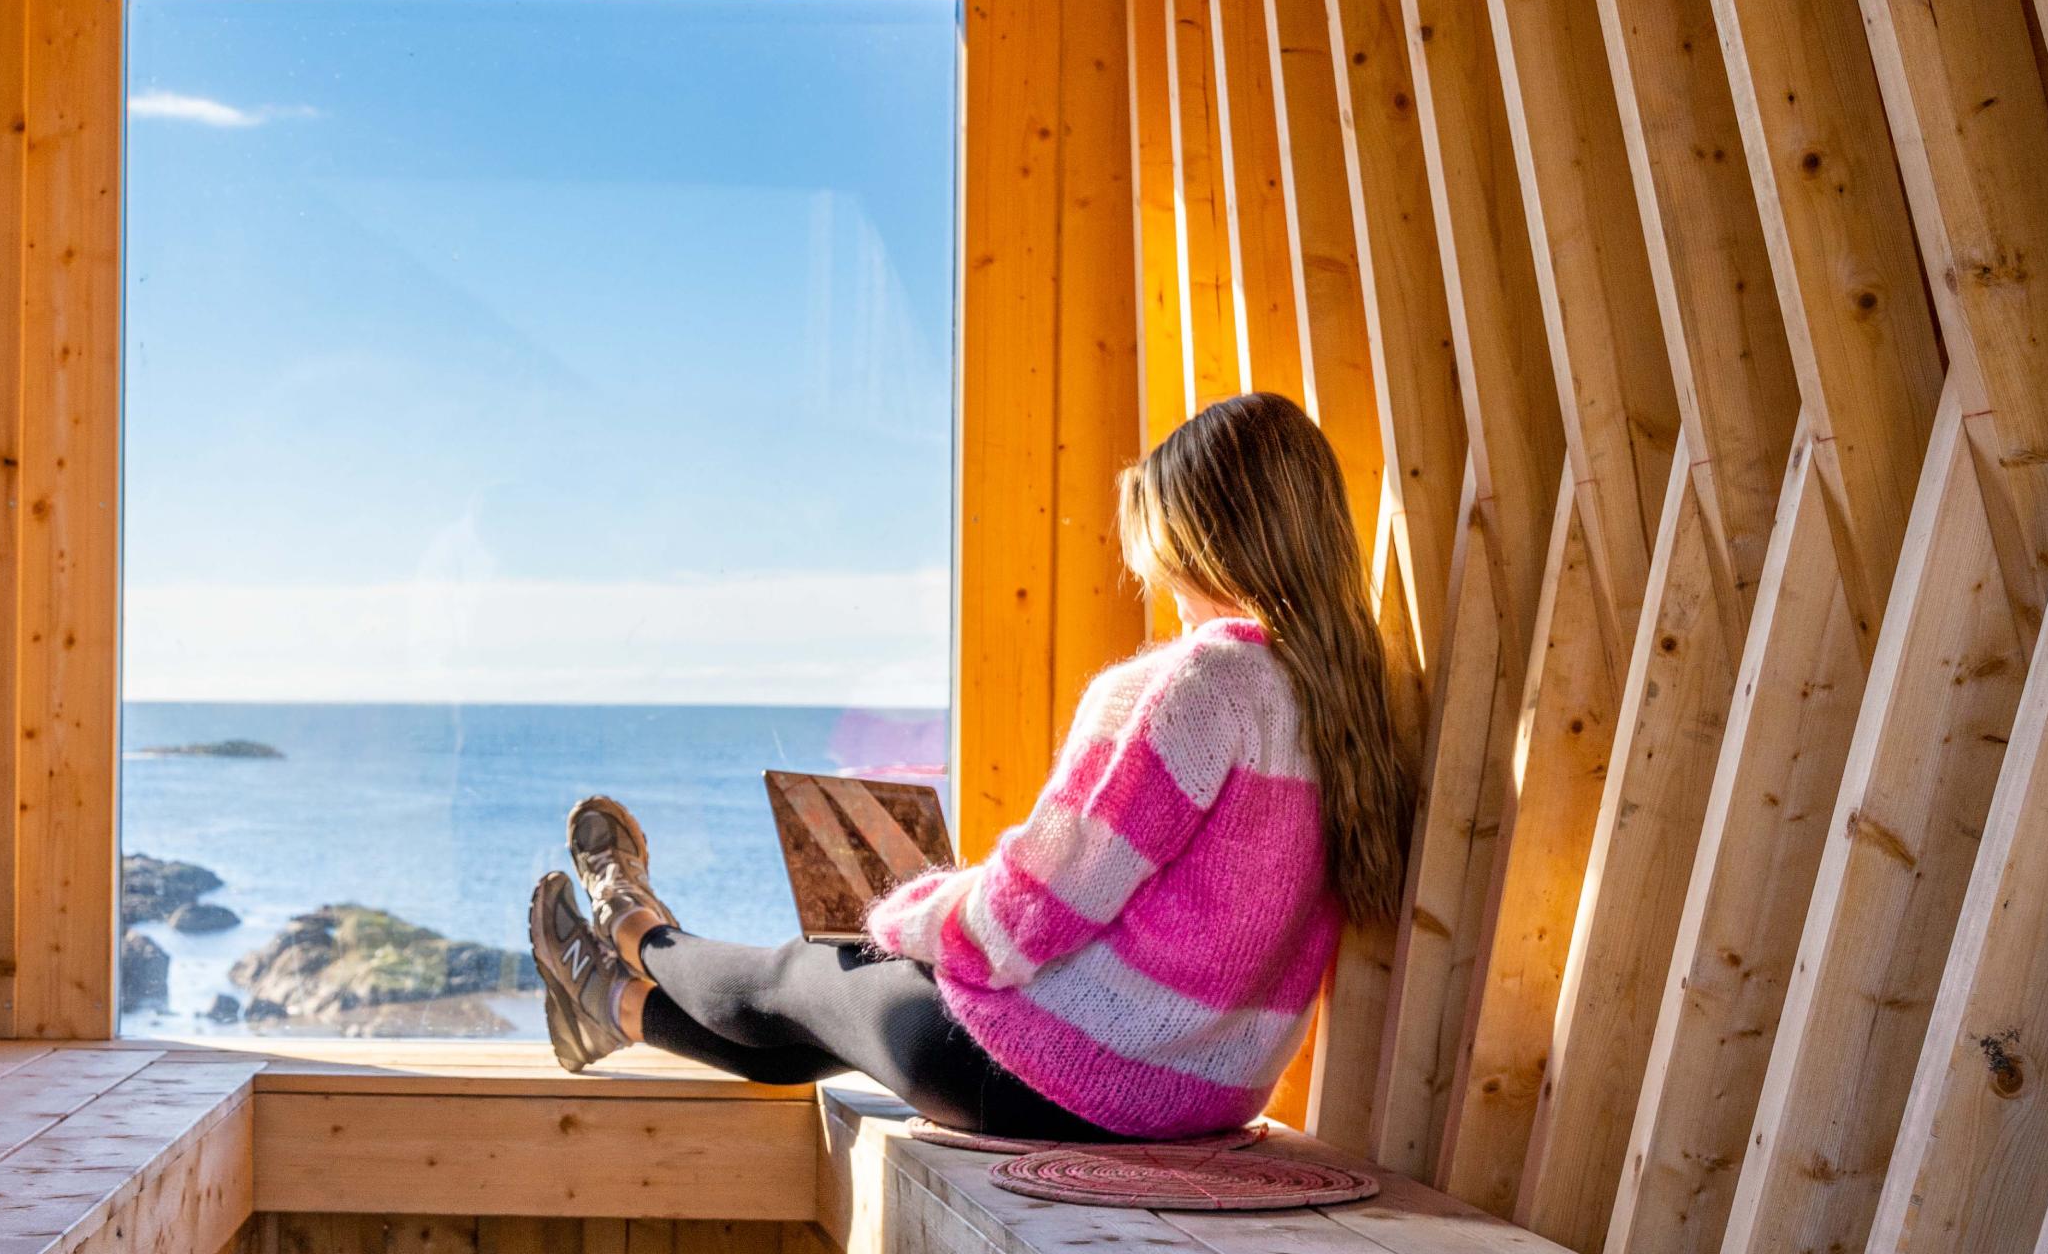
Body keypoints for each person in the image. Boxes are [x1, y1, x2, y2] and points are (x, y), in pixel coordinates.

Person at [529, 392, 1418, 1142]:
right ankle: (607, 1000)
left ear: (1205, 537)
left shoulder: (1202, 683)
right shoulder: (1344, 697)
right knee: (828, 1020)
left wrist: (905, 913)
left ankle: (630, 925)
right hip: (1203, 1098)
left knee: (807, 972)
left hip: (1072, 1085)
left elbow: (1026, 917)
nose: (1161, 580)